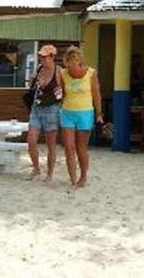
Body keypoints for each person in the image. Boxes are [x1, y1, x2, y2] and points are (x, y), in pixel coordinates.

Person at [59, 46, 103, 189]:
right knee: (68, 147)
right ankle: (72, 179)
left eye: (74, 62)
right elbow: (61, 94)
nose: (71, 67)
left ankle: (83, 177)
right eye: (69, 63)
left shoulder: (91, 73)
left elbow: (96, 94)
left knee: (81, 148)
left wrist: (99, 114)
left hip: (85, 113)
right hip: (67, 112)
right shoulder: (63, 73)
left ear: (79, 61)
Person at [26, 44, 63, 182]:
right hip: (37, 107)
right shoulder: (39, 69)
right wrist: (32, 81)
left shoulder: (59, 72)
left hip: (52, 109)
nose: (42, 59)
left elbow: (64, 91)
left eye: (45, 56)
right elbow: (32, 84)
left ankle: (50, 173)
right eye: (41, 56)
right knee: (31, 140)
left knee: (51, 144)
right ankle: (36, 168)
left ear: (52, 57)